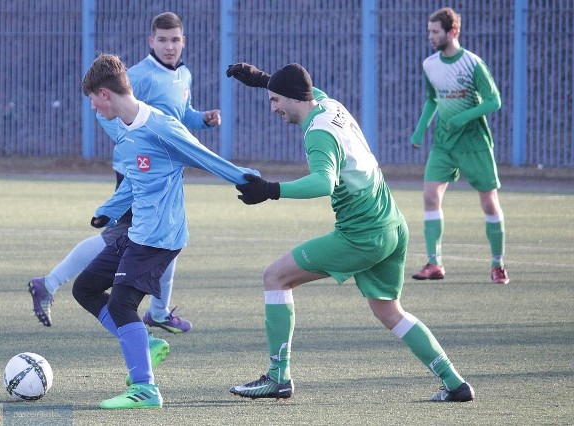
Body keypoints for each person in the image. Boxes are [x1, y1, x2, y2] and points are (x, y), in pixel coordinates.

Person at [225, 62, 474, 402]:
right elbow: (303, 88)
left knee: (275, 277)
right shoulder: (329, 104)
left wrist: (270, 189)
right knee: (389, 311)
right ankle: (455, 383)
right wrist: (261, 80)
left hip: (362, 234)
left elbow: (323, 182)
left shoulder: (317, 133)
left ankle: (278, 376)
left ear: (291, 98)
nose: (273, 109)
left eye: (274, 101)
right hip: (393, 225)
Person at [76, 53, 257, 409]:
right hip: (137, 230)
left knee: (122, 303)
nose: (94, 108)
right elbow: (134, 181)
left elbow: (204, 156)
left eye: (93, 100)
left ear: (105, 93)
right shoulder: (125, 132)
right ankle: (143, 344)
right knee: (85, 288)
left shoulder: (159, 126)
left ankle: (145, 389)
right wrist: (107, 211)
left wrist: (249, 180)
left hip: (160, 236)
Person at [28, 12, 220, 330]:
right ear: (151, 41)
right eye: (162, 40)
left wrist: (204, 120)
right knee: (123, 238)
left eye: (175, 40)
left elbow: (181, 115)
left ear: (183, 41)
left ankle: (157, 312)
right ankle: (49, 283)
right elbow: (108, 112)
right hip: (139, 170)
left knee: (166, 238)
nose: (169, 46)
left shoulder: (183, 75)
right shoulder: (140, 75)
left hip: (165, 170)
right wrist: (132, 141)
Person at [410, 7, 509, 284]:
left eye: (435, 31)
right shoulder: (430, 64)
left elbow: (494, 101)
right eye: (429, 31)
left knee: (489, 203)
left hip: (474, 143)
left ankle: (498, 264)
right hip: (444, 144)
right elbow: (432, 100)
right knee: (430, 196)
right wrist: (419, 130)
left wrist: (463, 117)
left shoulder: (473, 63)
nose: (430, 36)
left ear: (452, 32)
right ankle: (434, 263)